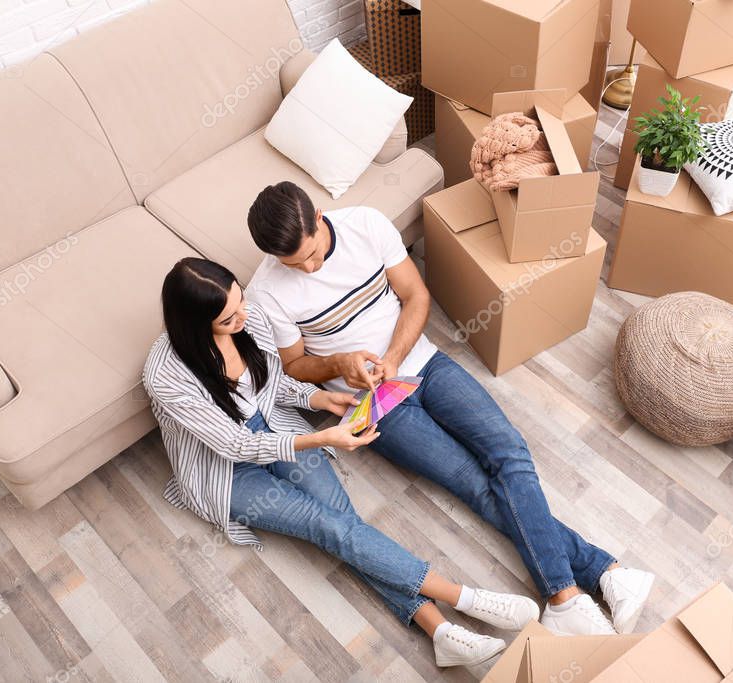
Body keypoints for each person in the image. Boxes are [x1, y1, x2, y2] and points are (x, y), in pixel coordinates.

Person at [244, 183, 656, 636]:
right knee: (474, 485)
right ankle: (604, 575)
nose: (310, 267)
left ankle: (566, 592)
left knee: (509, 453)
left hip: (423, 364)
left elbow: (416, 296)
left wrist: (395, 358)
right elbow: (296, 365)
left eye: (314, 253)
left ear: (320, 216)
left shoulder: (365, 224)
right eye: (295, 264)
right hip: (373, 405)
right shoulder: (266, 291)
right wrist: (338, 364)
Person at [143, 257, 543, 669]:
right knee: (328, 525)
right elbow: (234, 445)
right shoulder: (165, 375)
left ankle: (440, 633)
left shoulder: (248, 317)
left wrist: (320, 399)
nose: (244, 316)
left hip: (276, 429)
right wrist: (321, 436)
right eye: (229, 318)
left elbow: (272, 381)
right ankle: (463, 598)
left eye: (241, 301)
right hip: (226, 469)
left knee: (341, 522)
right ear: (196, 325)